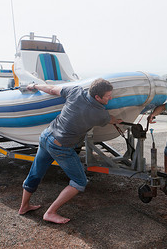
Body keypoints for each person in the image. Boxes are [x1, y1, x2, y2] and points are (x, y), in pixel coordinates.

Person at [18, 78, 122, 224]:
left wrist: (34, 85)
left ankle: (24, 207)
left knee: (36, 173)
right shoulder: (100, 114)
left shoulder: (76, 91)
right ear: (97, 97)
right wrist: (117, 120)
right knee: (80, 181)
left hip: (46, 135)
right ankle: (50, 212)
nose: (111, 98)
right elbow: (109, 119)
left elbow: (52, 89)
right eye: (108, 96)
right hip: (61, 146)